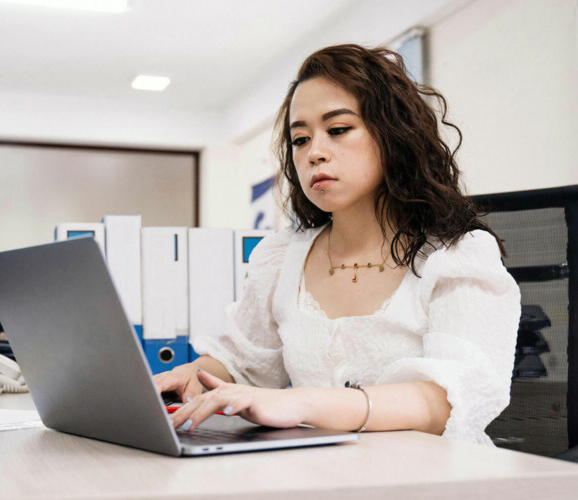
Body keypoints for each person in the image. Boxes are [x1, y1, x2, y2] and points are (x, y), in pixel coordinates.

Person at [155, 44, 521, 446]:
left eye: (338, 129)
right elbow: (242, 361)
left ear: (393, 134)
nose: (314, 153)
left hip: (432, 479)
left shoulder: (456, 257)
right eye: (299, 139)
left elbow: (446, 404)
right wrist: (193, 375)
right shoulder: (283, 258)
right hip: (319, 475)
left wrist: (305, 403)